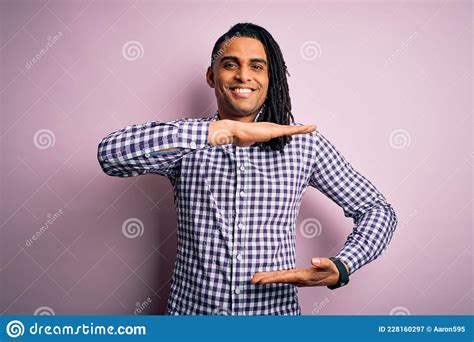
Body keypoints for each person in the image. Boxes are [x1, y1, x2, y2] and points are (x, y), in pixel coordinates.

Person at [97, 23, 397, 315]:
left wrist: (343, 265)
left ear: (271, 78)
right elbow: (110, 155)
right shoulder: (185, 143)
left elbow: (378, 209)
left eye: (257, 66)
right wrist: (220, 132)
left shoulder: (303, 144)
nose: (243, 75)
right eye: (230, 64)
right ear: (211, 76)